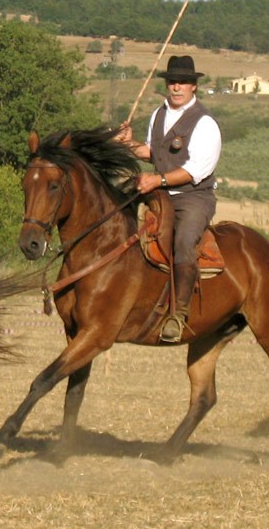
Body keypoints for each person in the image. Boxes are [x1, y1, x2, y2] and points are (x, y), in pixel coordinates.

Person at [116, 55, 221, 343]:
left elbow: (196, 170)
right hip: (158, 191)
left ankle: (179, 313)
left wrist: (158, 180)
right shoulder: (158, 114)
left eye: (183, 82)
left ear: (194, 86)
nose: (177, 87)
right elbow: (153, 153)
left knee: (184, 240)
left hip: (192, 196)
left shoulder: (205, 123)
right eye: (172, 81)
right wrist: (129, 144)